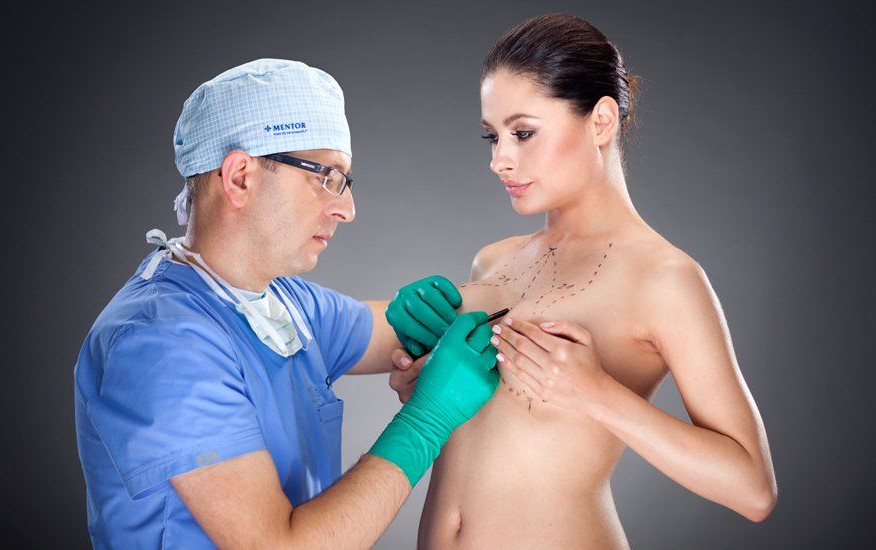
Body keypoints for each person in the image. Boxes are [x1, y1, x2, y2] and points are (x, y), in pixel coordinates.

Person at [387, 14, 778, 548]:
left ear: (601, 121)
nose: (500, 160)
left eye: (523, 133)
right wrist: (423, 387)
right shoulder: (492, 263)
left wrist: (597, 393)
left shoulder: (664, 278)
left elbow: (752, 489)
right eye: (492, 137)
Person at [74, 58, 498, 549]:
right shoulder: (160, 344)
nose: (347, 209)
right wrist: (428, 420)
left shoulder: (277, 302)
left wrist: (425, 321)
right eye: (327, 177)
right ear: (239, 177)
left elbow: (390, 332)